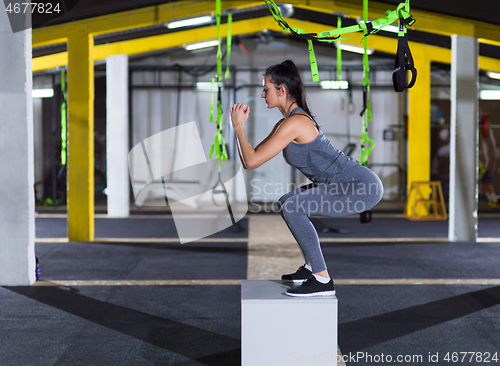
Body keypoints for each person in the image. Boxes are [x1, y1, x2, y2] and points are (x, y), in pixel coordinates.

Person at [230, 60, 383, 297]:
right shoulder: (286, 123)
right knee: (288, 200)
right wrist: (238, 127)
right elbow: (250, 158)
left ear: (282, 91)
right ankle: (311, 266)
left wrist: (238, 126)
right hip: (342, 185)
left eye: (266, 88)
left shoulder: (295, 123)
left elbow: (251, 162)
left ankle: (322, 279)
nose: (262, 94)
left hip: (360, 186)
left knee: (293, 206)